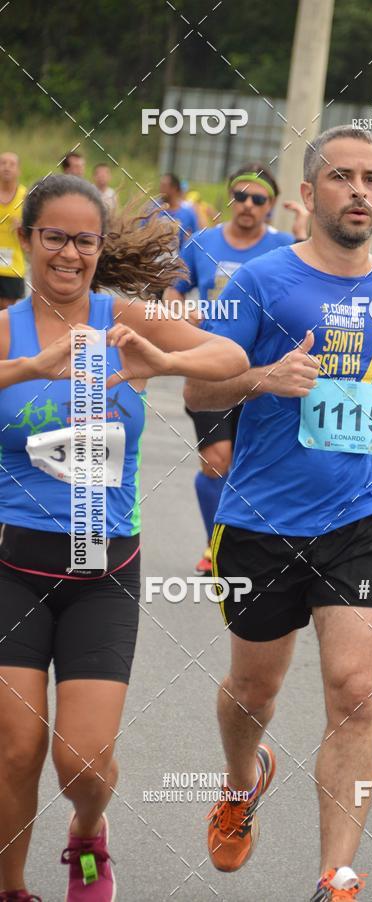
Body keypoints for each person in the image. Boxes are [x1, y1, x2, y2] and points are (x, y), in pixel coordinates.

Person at [183, 125, 372, 900]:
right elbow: (199, 390)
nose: (361, 191)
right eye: (344, 178)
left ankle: (338, 874)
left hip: (365, 512)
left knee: (356, 690)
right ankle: (240, 779)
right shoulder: (260, 284)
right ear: (309, 194)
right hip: (262, 517)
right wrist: (261, 379)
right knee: (253, 692)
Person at [0, 174, 247, 902]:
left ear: (100, 247)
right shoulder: (8, 328)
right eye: (55, 237)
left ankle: (86, 833)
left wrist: (163, 363)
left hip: (103, 569)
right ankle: (12, 889)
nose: (70, 253)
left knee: (82, 762)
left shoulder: (124, 320)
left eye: (85, 239)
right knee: (15, 750)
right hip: (12, 564)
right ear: (26, 240)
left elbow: (229, 360)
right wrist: (31, 367)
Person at [166, 162, 302, 573]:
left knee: (260, 465)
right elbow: (173, 287)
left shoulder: (283, 249)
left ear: (271, 206)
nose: (247, 205)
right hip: (211, 369)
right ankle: (217, 547)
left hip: (266, 376)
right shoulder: (203, 242)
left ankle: (262, 544)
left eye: (257, 199)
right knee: (216, 460)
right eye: (240, 196)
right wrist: (178, 310)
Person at [0, 152, 27, 309]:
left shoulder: (26, 197)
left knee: (6, 310)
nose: (7, 167)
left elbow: (35, 229)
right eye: (3, 163)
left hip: (13, 265)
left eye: (11, 164)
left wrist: (23, 226)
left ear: (19, 170)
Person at [153, 172, 198, 249]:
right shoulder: (151, 209)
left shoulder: (187, 214)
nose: (160, 189)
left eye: (164, 186)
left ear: (174, 188)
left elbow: (194, 240)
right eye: (160, 185)